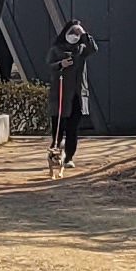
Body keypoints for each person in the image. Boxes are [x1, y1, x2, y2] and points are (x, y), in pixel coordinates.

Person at [47, 18, 96, 172]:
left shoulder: (81, 49)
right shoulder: (56, 49)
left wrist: (84, 34)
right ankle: (55, 155)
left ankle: (69, 157)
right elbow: (49, 66)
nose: (75, 35)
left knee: (72, 129)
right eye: (72, 31)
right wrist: (60, 64)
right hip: (60, 94)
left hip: (77, 95)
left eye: (77, 32)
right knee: (58, 128)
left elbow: (93, 48)